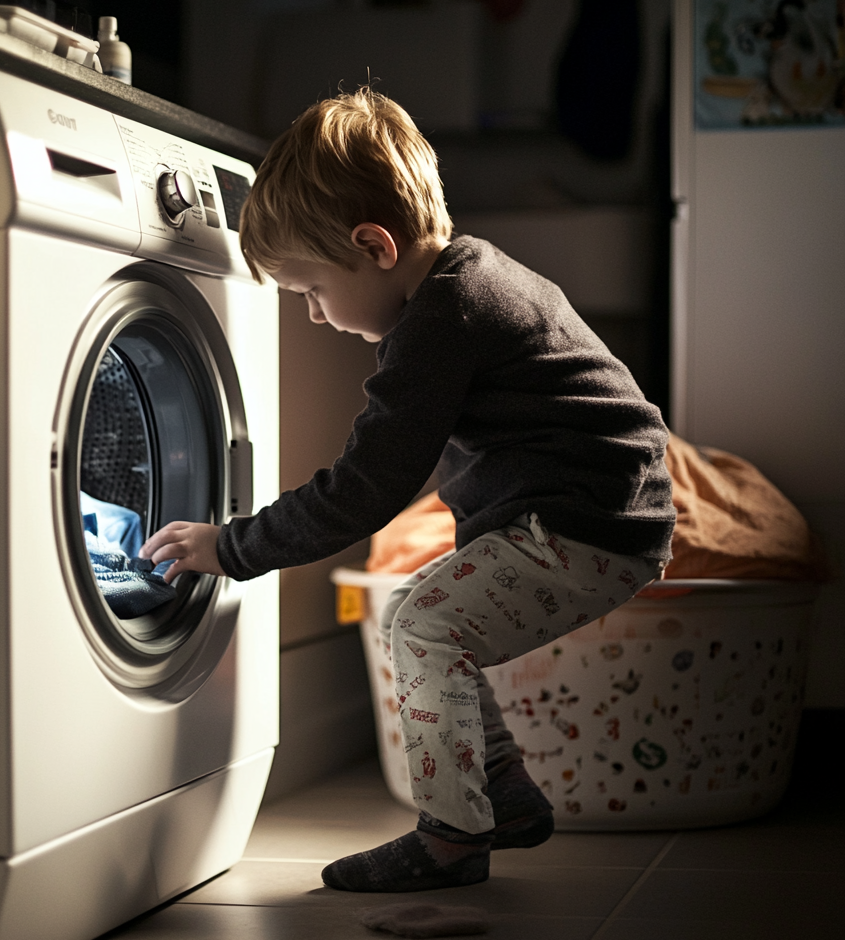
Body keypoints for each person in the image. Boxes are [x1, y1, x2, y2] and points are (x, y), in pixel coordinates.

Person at [139, 88, 675, 893]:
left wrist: (234, 545)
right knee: (429, 620)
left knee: (420, 624)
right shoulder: (469, 279)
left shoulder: (443, 317)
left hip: (587, 523)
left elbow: (365, 486)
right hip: (601, 512)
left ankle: (453, 841)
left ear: (374, 245)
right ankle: (499, 789)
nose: (316, 316)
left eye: (313, 290)